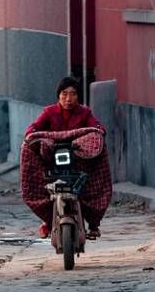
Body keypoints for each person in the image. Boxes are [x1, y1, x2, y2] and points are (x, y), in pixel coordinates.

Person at [22, 76, 111, 239]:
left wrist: (98, 131)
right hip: (52, 160)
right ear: (58, 96)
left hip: (78, 160)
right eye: (64, 94)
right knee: (41, 185)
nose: (68, 99)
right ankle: (48, 220)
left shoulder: (85, 113)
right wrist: (31, 134)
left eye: (73, 94)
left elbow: (96, 126)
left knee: (94, 184)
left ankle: (93, 224)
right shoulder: (49, 112)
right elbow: (34, 127)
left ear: (78, 96)